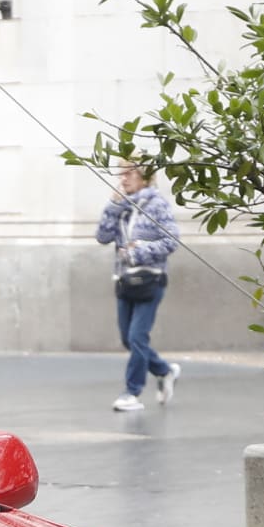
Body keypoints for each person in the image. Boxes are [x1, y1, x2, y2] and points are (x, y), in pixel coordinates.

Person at [96, 159, 180, 411]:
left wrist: (139, 251)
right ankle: (164, 371)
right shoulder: (121, 205)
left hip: (150, 279)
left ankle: (131, 392)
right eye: (121, 174)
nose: (124, 178)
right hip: (124, 281)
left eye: (130, 173)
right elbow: (102, 237)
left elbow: (172, 240)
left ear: (145, 176)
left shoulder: (156, 204)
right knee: (127, 338)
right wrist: (113, 206)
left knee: (137, 336)